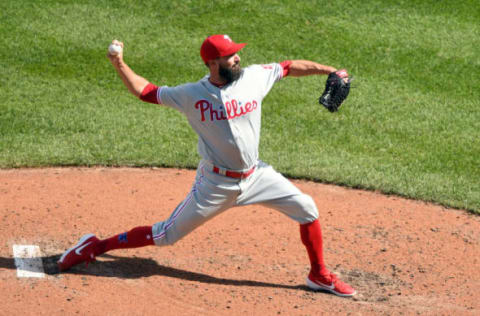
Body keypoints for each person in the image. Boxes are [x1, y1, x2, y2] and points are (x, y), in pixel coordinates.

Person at [57, 34, 356, 297]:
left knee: (307, 209)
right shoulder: (191, 94)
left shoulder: (254, 77)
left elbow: (288, 66)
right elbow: (145, 91)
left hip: (257, 176)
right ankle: (96, 246)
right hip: (216, 184)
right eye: (230, 55)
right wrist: (118, 63)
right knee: (165, 236)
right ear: (213, 63)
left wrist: (331, 71)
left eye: (236, 53)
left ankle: (319, 275)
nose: (237, 57)